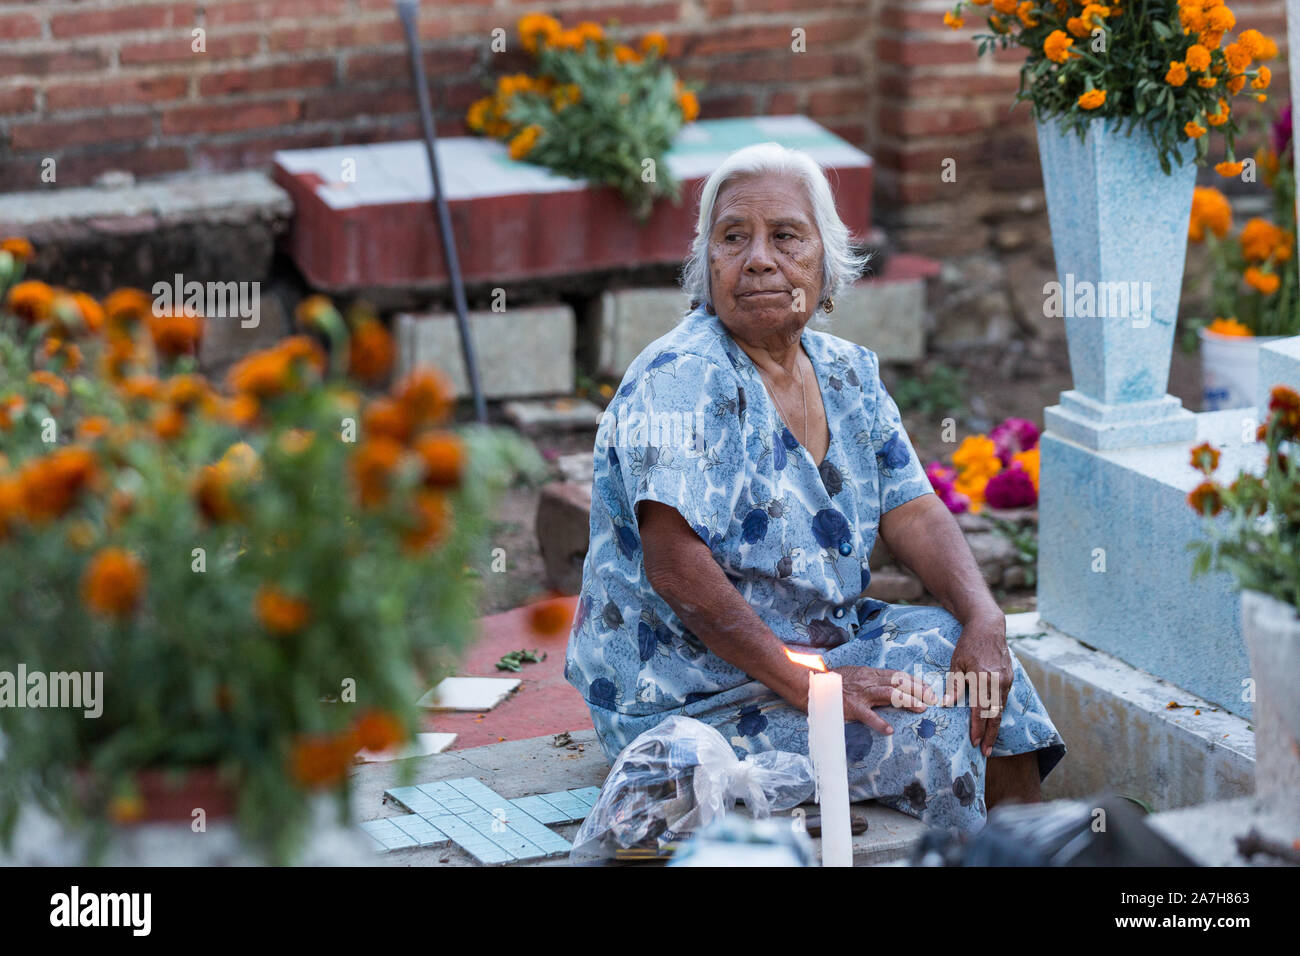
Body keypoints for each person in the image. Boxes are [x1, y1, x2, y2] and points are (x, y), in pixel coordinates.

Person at [564, 141, 1065, 833]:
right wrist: (811, 686)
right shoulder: (681, 379)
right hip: (691, 696)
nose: (759, 258)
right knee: (939, 733)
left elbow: (913, 509)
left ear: (826, 261)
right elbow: (674, 564)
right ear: (707, 263)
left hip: (813, 647)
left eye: (786, 236)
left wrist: (984, 617)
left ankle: (1028, 851)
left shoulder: (846, 373)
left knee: (982, 677)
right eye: (733, 237)